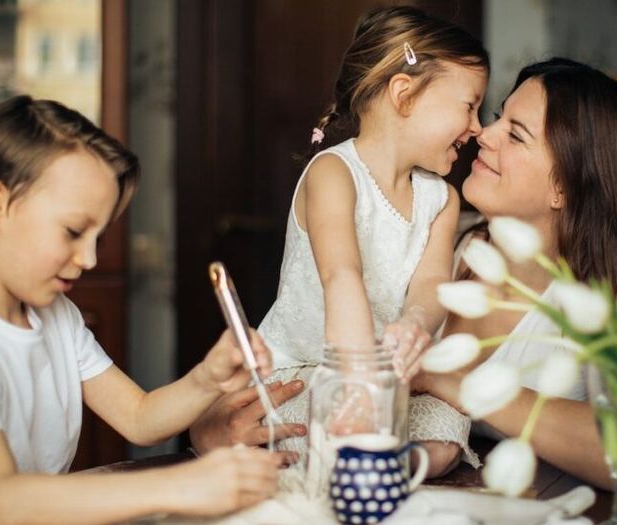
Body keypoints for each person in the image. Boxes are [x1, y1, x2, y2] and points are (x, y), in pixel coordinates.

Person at [0, 95, 282, 525]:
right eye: (73, 231)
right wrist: (182, 485)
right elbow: (1, 501)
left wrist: (207, 378)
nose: (89, 259)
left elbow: (139, 418)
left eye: (96, 239)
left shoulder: (55, 314)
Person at [192, 6, 489, 477]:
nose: (477, 127)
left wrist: (415, 323)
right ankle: (360, 457)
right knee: (316, 423)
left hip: (388, 379)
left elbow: (431, 284)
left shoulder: (442, 200)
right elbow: (341, 276)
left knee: (446, 433)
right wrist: (359, 384)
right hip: (310, 370)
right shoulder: (333, 172)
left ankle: (375, 463)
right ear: (404, 95)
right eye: (469, 106)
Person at [413, 56, 617, 489]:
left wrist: (464, 385)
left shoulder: (599, 309)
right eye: (498, 116)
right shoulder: (437, 238)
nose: (484, 133)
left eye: (516, 134)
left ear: (564, 187)